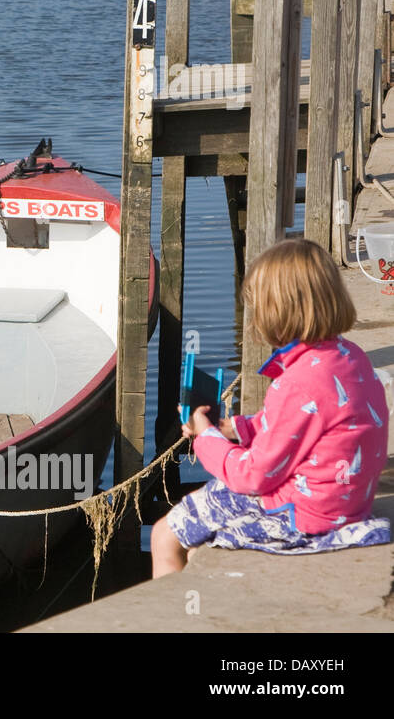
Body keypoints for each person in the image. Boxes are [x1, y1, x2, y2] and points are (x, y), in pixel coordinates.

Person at [152, 238, 390, 577]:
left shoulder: (294, 383)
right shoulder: (351, 358)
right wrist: (236, 429)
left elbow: (252, 476)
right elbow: (305, 423)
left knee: (165, 535)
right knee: (196, 541)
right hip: (346, 505)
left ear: (275, 312)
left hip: (302, 515)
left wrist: (206, 438)